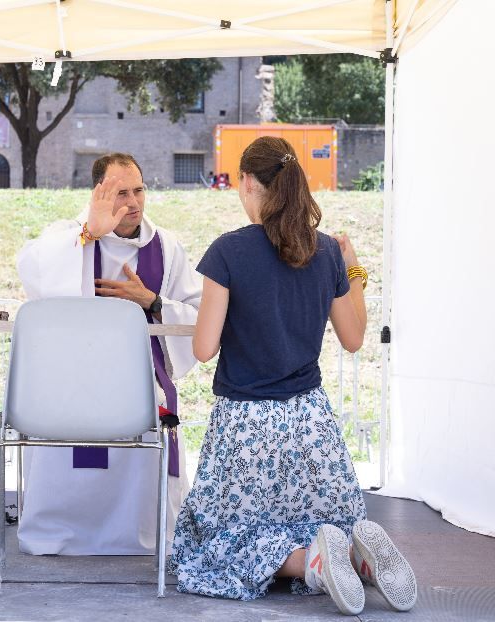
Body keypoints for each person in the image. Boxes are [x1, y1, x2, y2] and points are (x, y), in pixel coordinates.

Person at [168, 136, 417, 615]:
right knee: (316, 518)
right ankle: (354, 558)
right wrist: (354, 270)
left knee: (211, 547)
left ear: (247, 184)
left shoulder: (228, 252)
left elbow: (203, 348)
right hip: (310, 425)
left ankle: (312, 564)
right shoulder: (324, 252)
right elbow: (352, 337)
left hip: (245, 427)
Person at [15, 152, 201, 555]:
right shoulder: (71, 236)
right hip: (73, 380)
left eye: (139, 191)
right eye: (121, 193)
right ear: (98, 194)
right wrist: (87, 233)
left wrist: (152, 301)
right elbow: (32, 270)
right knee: (62, 414)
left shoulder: (165, 249)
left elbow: (199, 315)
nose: (133, 203)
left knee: (147, 409)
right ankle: (60, 532)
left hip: (140, 381)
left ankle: (141, 535)